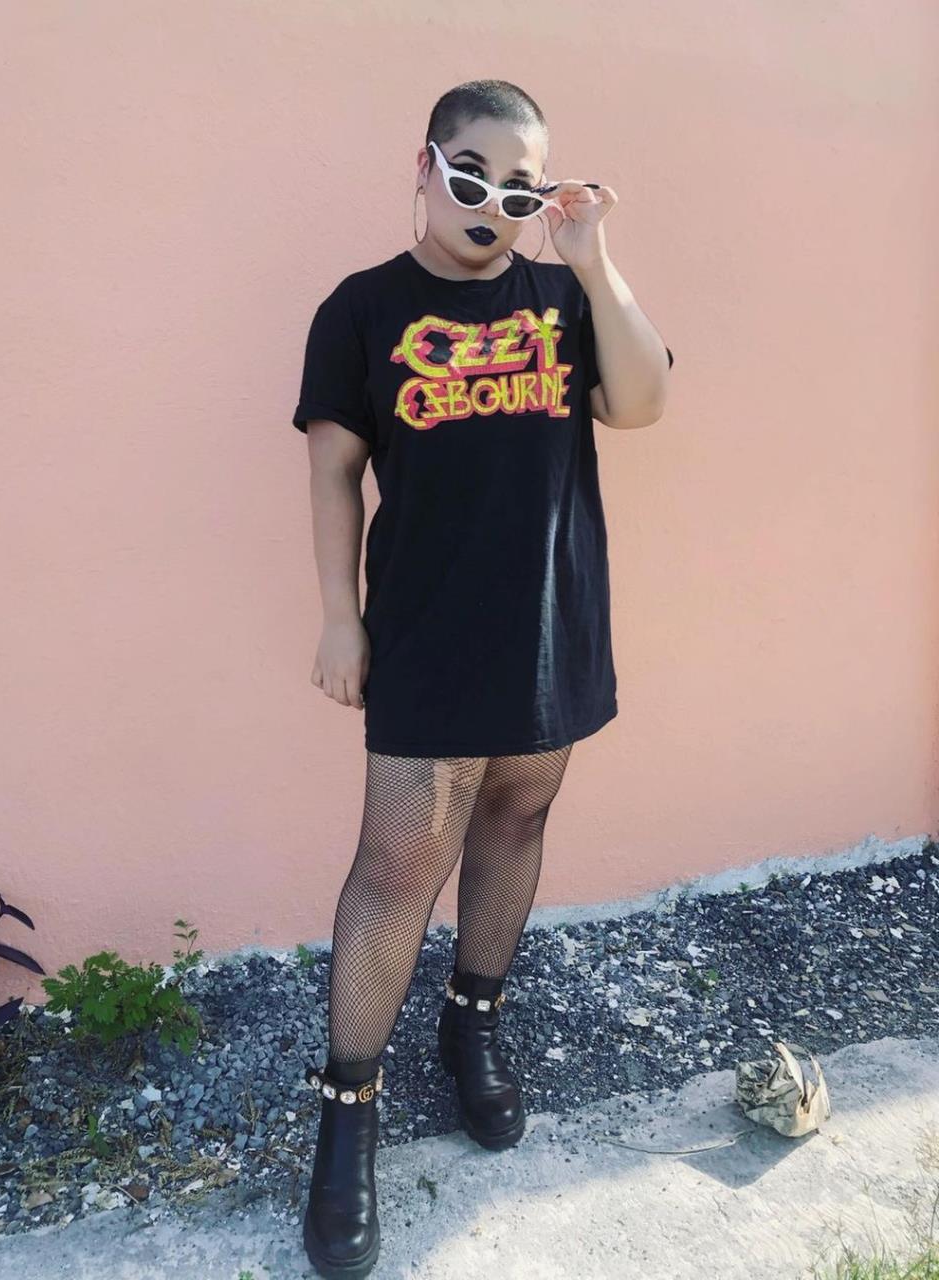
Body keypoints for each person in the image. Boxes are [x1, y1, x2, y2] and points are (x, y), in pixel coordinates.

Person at [290, 78, 674, 1279]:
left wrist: (590, 256)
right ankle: (347, 1110)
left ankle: (472, 1025)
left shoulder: (562, 300)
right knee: (398, 862)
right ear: (425, 166)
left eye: (518, 189)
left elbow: (643, 402)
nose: (490, 204)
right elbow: (333, 473)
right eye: (471, 176)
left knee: (514, 817)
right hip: (423, 627)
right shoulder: (360, 309)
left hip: (551, 619)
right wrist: (340, 619)